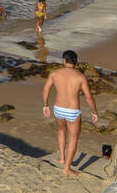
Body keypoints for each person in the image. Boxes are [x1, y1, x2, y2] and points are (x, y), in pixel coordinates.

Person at [42, 50, 98, 178]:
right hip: (72, 111)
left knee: (61, 130)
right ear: (76, 62)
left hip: (58, 109)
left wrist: (45, 105)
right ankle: (67, 168)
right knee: (73, 138)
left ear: (64, 60)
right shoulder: (80, 76)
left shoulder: (55, 73)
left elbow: (46, 89)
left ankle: (62, 158)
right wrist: (94, 111)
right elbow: (89, 97)